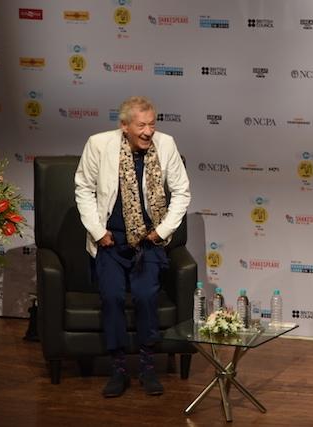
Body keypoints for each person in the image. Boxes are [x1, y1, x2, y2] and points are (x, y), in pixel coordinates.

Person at [75, 96, 190, 398]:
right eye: (141, 126)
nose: (148, 132)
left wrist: (162, 231)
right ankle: (118, 368)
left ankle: (147, 367)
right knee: (112, 297)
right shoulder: (99, 144)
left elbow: (181, 192)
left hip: (148, 240)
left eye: (152, 124)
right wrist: (98, 232)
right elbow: (84, 189)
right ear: (124, 126)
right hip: (110, 240)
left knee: (145, 296)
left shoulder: (166, 145)